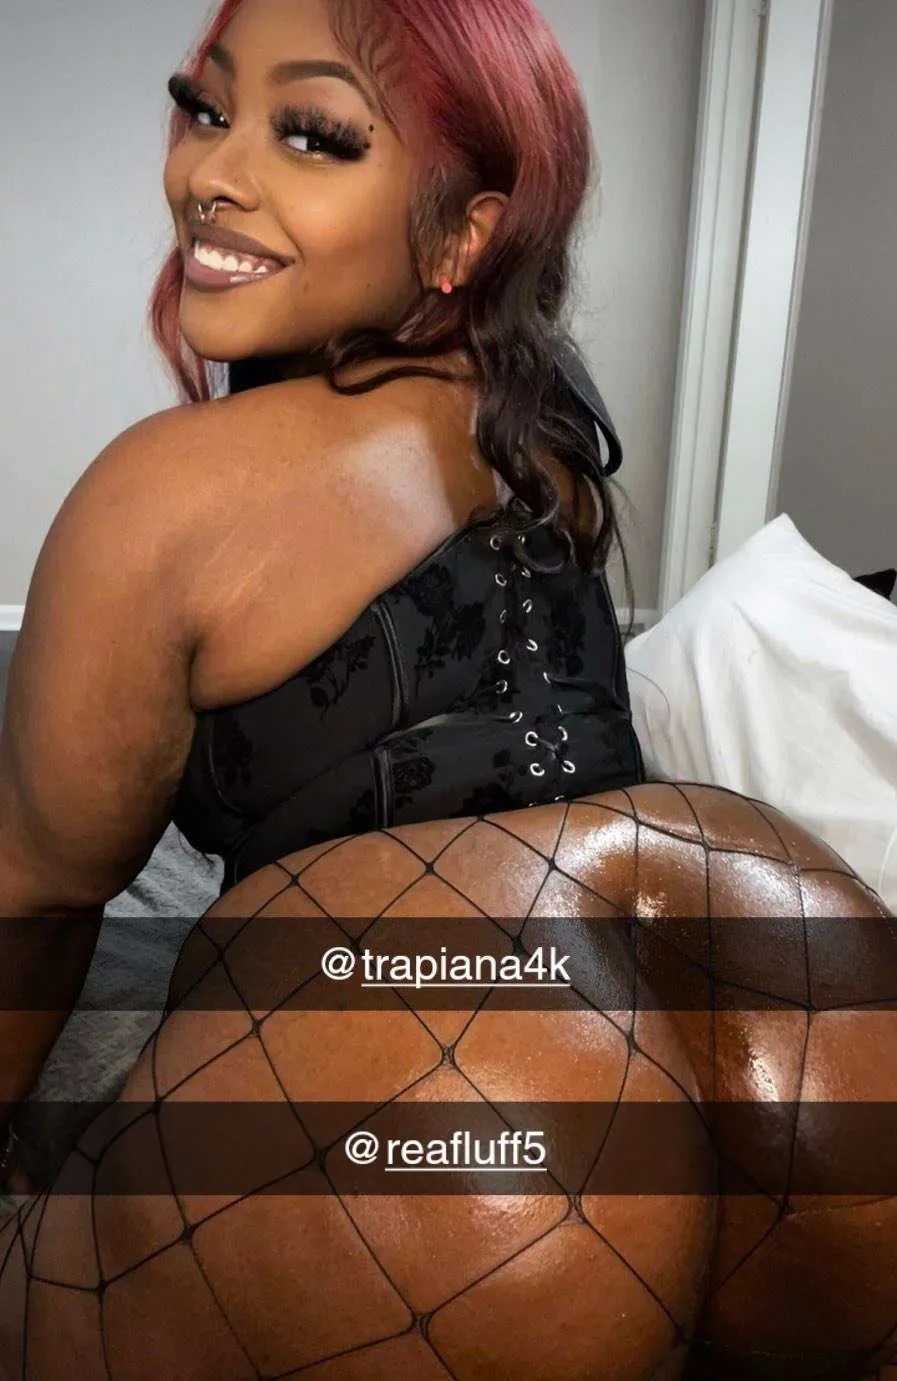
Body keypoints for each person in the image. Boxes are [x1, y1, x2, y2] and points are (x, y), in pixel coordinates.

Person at [0, 0, 894, 1376]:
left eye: (313, 134)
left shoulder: (161, 497)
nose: (211, 172)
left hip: (445, 1080)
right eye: (205, 106)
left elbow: (36, 903)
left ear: (462, 236)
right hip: (797, 967)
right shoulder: (543, 428)